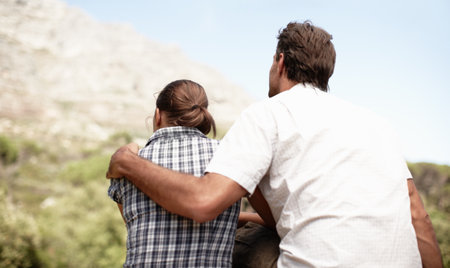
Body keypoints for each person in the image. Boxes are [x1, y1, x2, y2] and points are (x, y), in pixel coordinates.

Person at [107, 21, 442, 267]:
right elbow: (419, 219)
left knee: (251, 243)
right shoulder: (377, 124)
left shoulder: (267, 115)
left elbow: (203, 202)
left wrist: (129, 161)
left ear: (280, 62)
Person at [107, 79, 240, 267]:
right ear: (202, 114)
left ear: (158, 115)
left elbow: (136, 222)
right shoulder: (229, 155)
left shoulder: (127, 165)